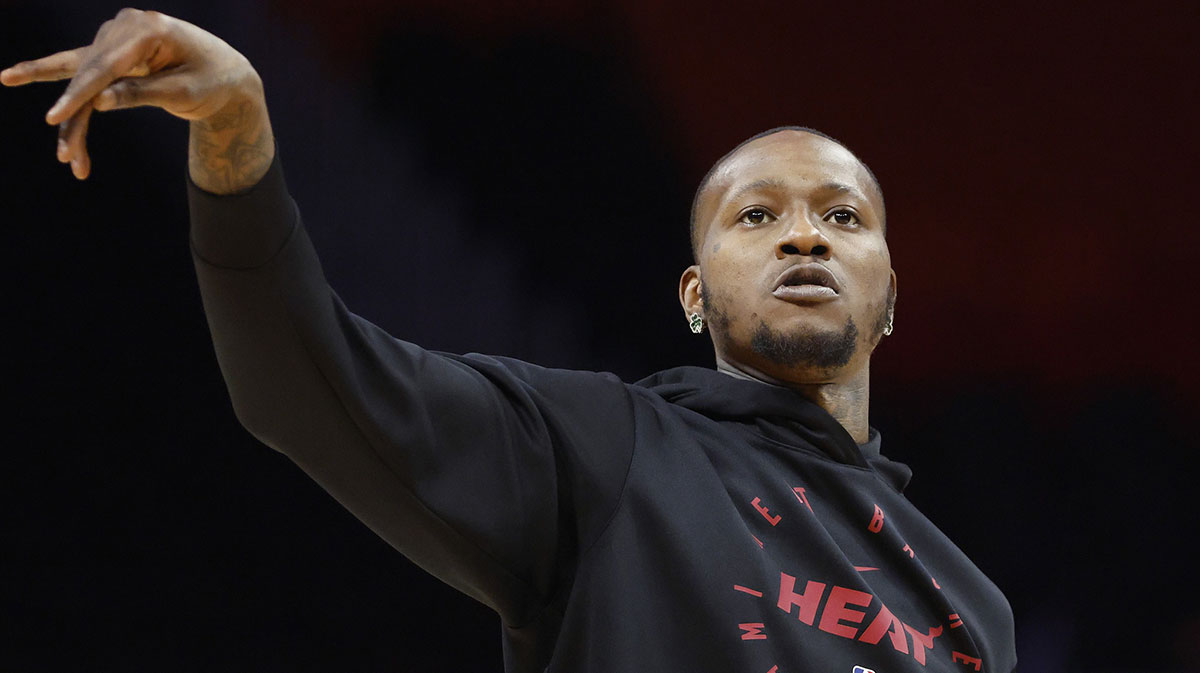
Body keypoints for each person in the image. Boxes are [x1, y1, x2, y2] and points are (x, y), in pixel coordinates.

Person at [3, 9, 1017, 672]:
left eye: (843, 217)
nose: (804, 232)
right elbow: (308, 383)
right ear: (695, 296)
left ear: (889, 297)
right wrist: (235, 138)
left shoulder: (972, 604)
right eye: (756, 216)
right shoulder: (611, 448)